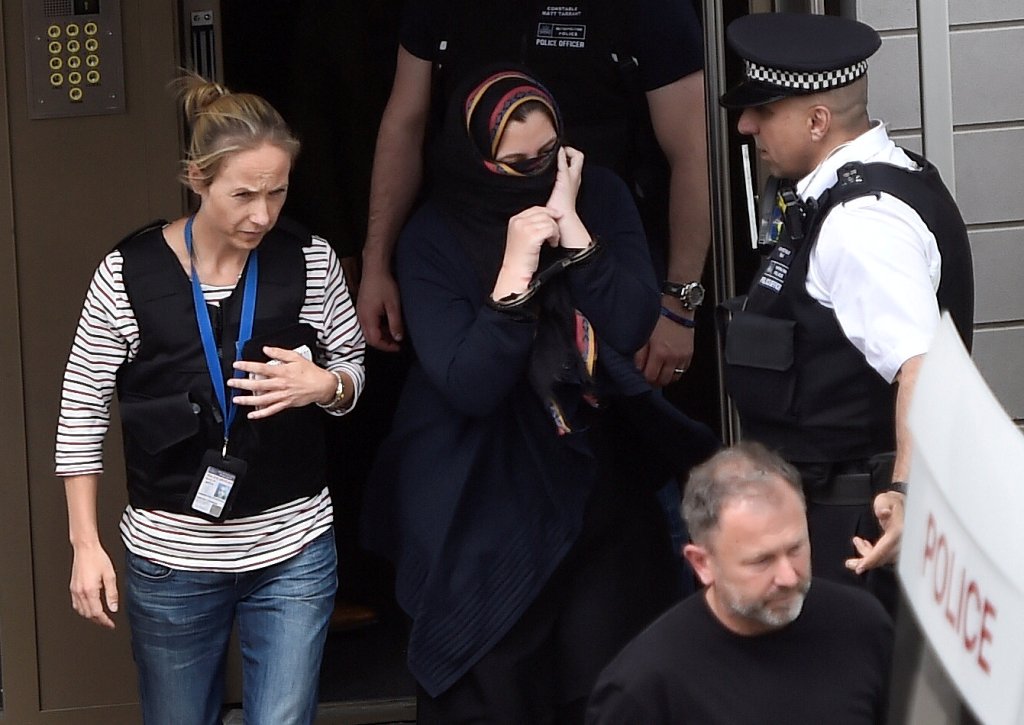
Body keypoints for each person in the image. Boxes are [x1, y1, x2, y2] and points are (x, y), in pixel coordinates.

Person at [360, 67, 718, 723]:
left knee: (610, 685)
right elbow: (470, 382)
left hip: (593, 481)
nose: (534, 173)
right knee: (494, 685)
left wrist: (575, 231)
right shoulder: (434, 235)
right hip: (482, 495)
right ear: (477, 159)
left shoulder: (598, 195)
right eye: (515, 163)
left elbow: (632, 319)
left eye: (547, 158)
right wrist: (516, 272)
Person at [54, 74, 366, 725]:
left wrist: (328, 385)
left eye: (277, 192)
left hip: (293, 548)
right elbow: (82, 407)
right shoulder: (126, 274)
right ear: (196, 179)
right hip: (172, 559)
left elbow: (351, 369)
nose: (262, 214)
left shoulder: (310, 260)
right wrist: (85, 542)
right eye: (243, 194)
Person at [717, 12, 974, 602]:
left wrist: (905, 493)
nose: (746, 126)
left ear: (816, 119)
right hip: (839, 512)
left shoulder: (863, 221)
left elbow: (924, 364)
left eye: (765, 110)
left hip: (858, 526)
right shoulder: (853, 191)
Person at [358, 0, 710, 389]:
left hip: (601, 247)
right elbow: (405, 124)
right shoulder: (431, 238)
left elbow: (695, 150)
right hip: (467, 253)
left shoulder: (647, 10)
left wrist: (679, 303)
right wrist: (375, 265)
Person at [586, 442, 893, 724]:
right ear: (702, 564)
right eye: (761, 561)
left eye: (796, 549)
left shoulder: (862, 625)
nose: (788, 577)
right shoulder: (645, 688)